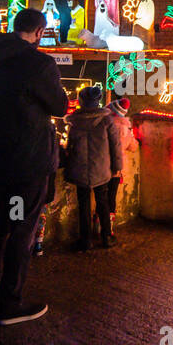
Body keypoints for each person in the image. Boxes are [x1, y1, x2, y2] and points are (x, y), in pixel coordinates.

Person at [0, 8, 68, 325]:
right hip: (27, 162)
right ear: (40, 32)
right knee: (21, 231)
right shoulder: (38, 63)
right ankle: (10, 303)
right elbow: (59, 105)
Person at [64, 85, 122, 250]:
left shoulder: (75, 121)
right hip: (102, 169)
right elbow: (115, 145)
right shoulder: (106, 120)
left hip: (79, 169)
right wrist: (117, 166)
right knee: (102, 202)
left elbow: (70, 146)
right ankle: (106, 237)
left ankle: (85, 240)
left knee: (83, 204)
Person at [103, 96, 133, 242]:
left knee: (101, 198)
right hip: (117, 169)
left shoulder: (104, 125)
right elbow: (133, 146)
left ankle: (99, 226)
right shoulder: (126, 129)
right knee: (112, 198)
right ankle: (110, 229)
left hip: (103, 167)